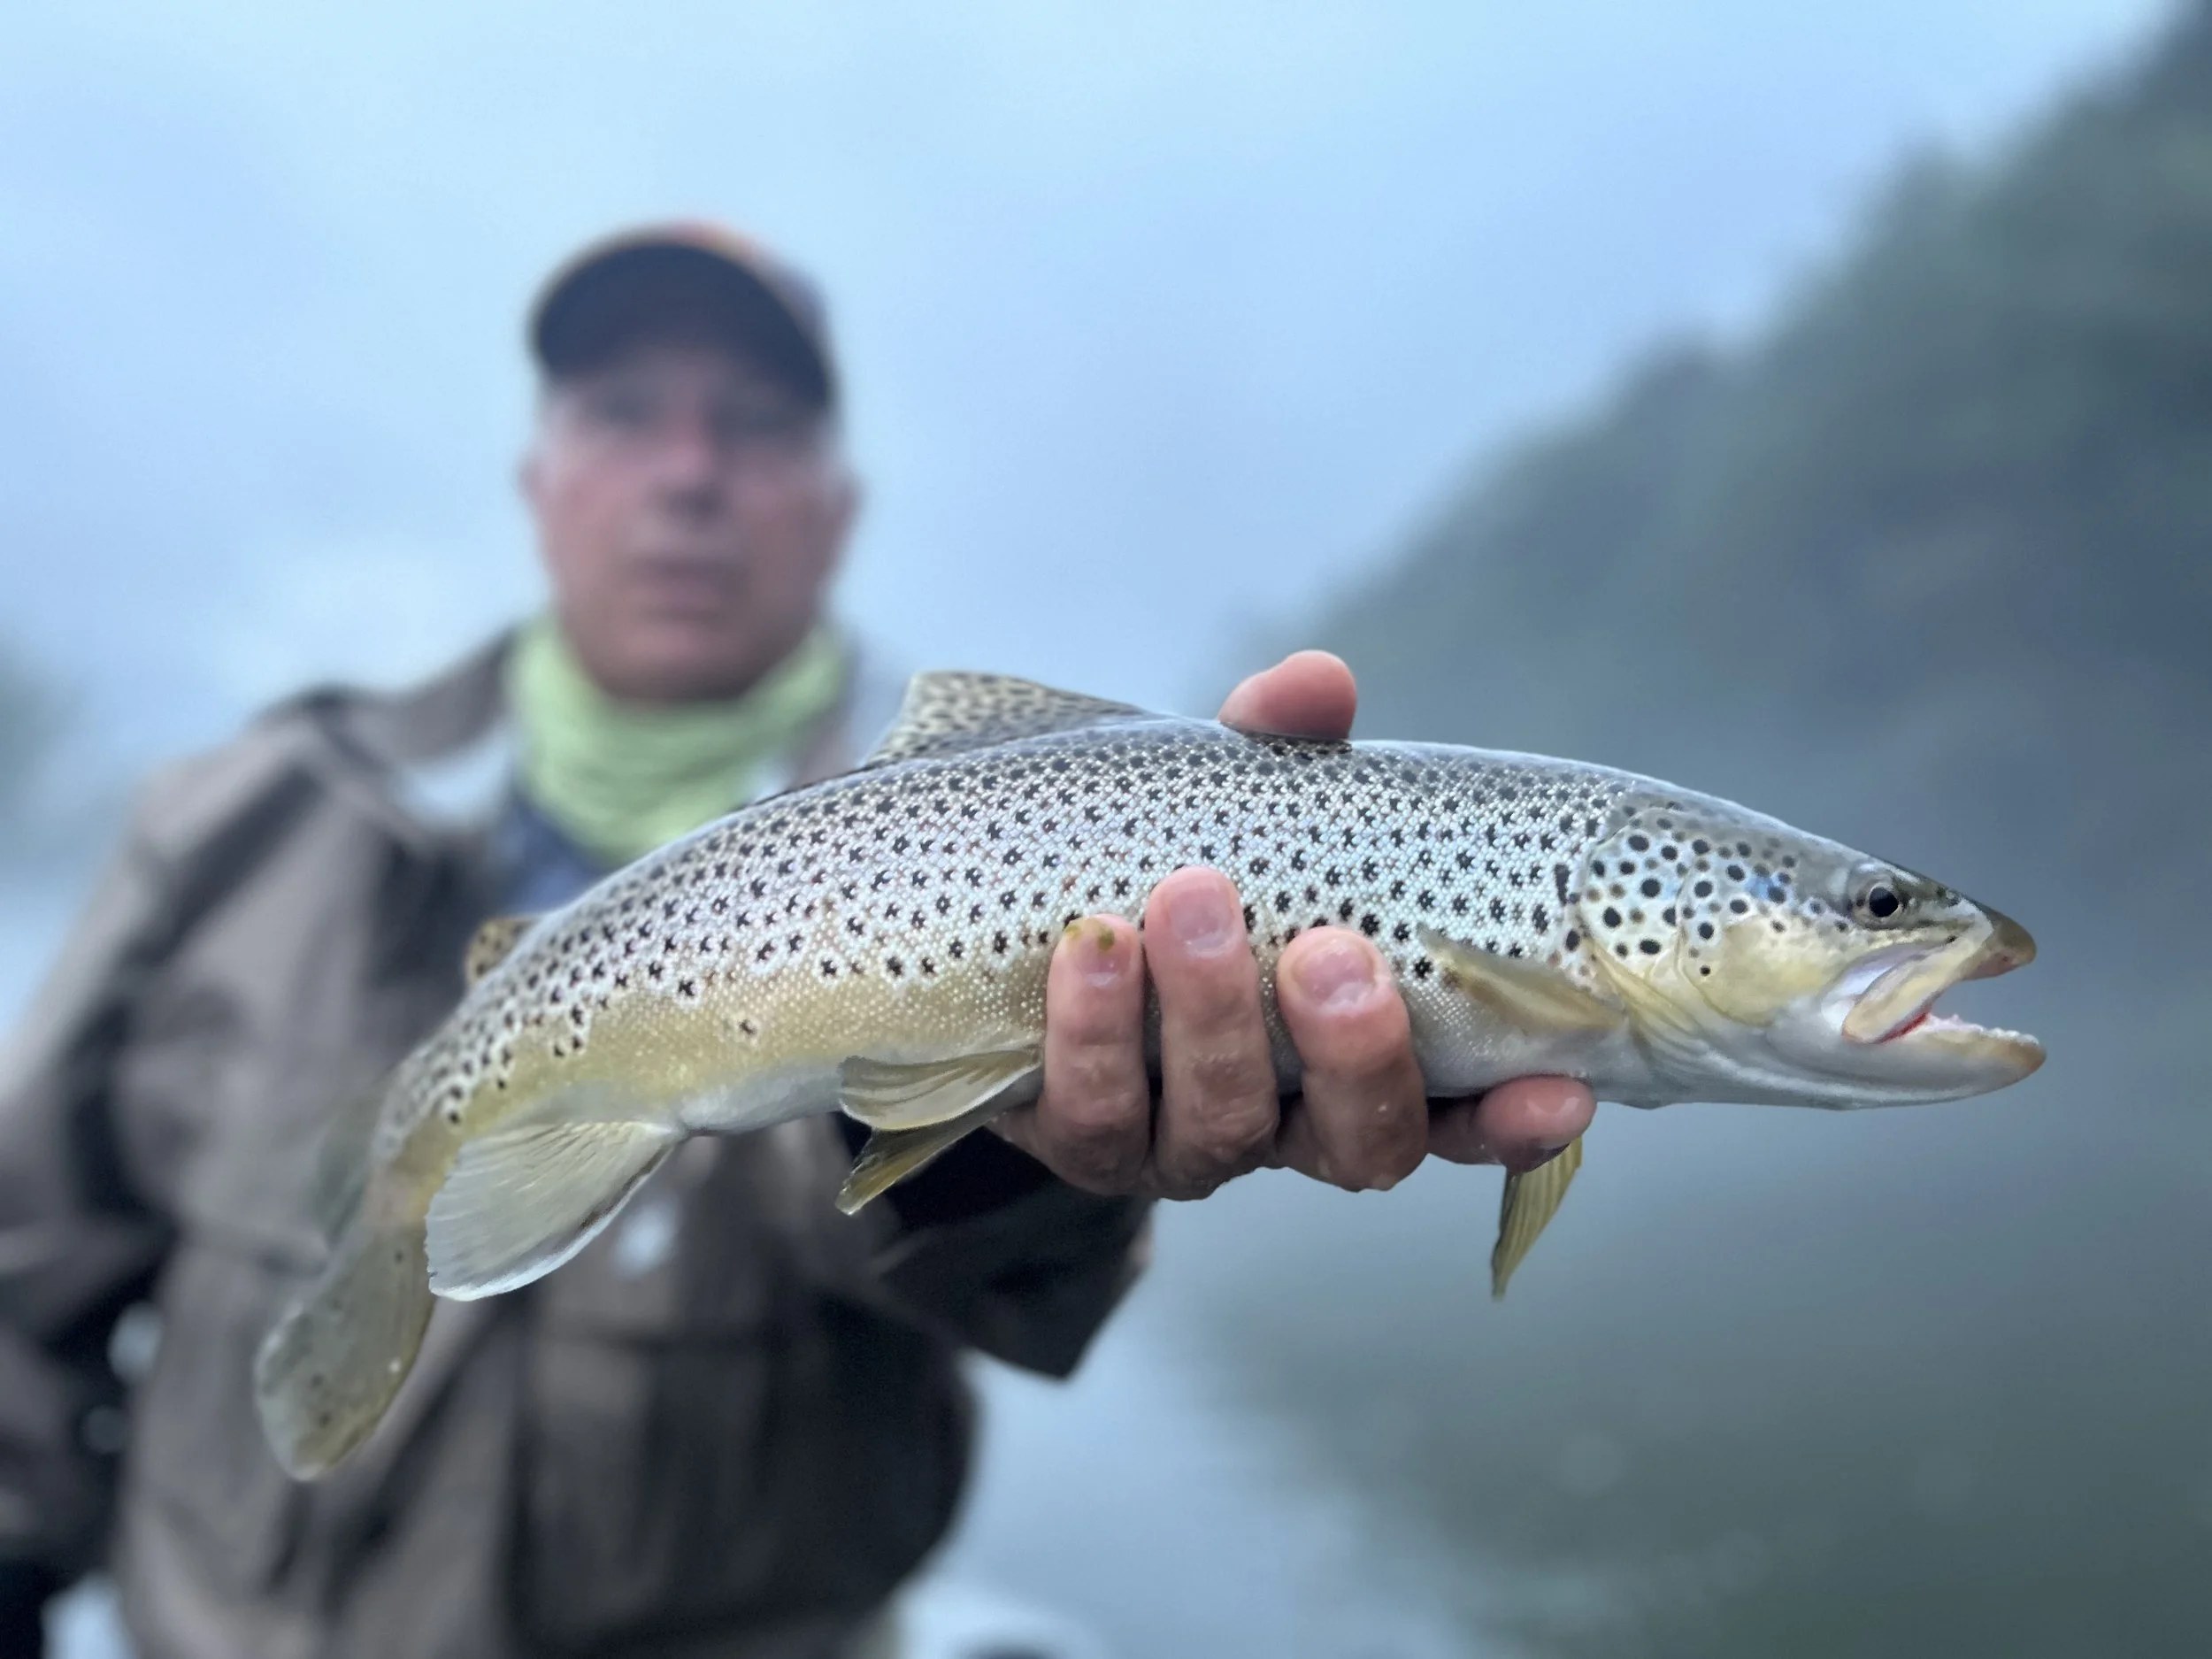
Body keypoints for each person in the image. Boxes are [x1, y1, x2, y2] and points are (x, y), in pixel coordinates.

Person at [0, 224, 1594, 1659]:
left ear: (835, 513)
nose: (688, 473)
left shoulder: (1012, 824)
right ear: (540, 486)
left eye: (756, 428)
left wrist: (1012, 1142)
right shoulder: (236, 819)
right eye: (624, 414)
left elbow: (1018, 1304)